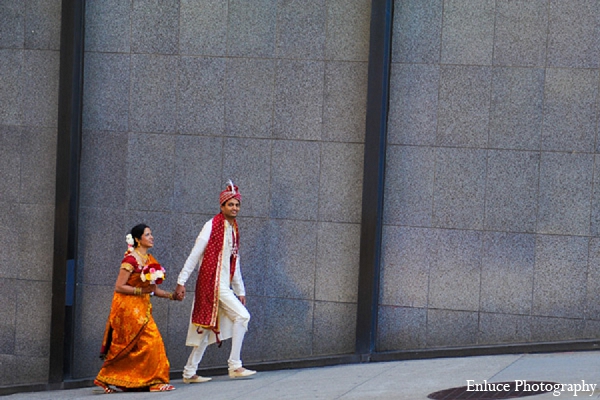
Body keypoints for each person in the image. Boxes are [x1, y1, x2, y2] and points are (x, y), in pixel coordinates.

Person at [175, 180, 256, 383]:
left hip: (223, 285)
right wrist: (181, 280)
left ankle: (189, 372)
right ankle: (235, 365)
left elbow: (234, 261)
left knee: (206, 328)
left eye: (237, 204)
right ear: (222, 206)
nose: (234, 208)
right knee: (243, 317)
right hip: (212, 283)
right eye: (230, 204)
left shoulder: (233, 229)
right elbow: (195, 254)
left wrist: (240, 289)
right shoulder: (212, 225)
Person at [94, 224, 179, 393]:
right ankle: (155, 382)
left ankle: (121, 380)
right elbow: (119, 286)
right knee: (152, 341)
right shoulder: (130, 260)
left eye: (151, 234)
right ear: (138, 240)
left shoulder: (150, 260)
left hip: (143, 309)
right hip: (127, 309)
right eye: (148, 234)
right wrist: (141, 291)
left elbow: (153, 289)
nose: (152, 237)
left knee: (135, 348)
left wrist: (172, 296)